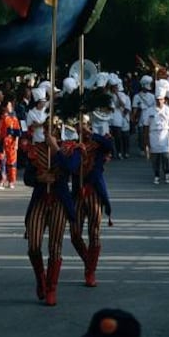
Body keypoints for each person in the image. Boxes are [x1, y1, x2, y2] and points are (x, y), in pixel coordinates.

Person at [23, 119, 82, 306]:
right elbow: (27, 177)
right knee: (33, 245)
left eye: (54, 129)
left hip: (59, 200)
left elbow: (71, 168)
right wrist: (39, 177)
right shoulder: (36, 149)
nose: (50, 132)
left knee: (54, 246)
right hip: (40, 199)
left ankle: (51, 288)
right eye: (47, 129)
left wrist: (55, 148)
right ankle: (41, 278)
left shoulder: (71, 148)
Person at [69, 114, 114, 287]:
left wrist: (91, 134)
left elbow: (110, 146)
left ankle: (90, 272)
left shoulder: (98, 143)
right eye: (79, 126)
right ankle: (89, 262)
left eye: (85, 125)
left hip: (94, 191)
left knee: (94, 233)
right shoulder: (71, 144)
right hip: (77, 192)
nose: (82, 128)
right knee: (74, 235)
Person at [144, 84, 169, 185]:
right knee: (155, 158)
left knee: (166, 157)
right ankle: (157, 175)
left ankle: (167, 174)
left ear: (164, 99)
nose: (159, 101)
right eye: (157, 99)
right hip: (153, 135)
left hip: (165, 134)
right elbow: (146, 126)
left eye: (161, 99)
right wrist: (146, 141)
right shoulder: (149, 110)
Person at [131, 75, 155, 156]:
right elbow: (135, 109)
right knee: (141, 135)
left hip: (150, 117)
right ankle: (142, 149)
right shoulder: (137, 97)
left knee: (150, 134)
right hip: (141, 118)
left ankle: (149, 148)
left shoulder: (152, 96)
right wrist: (133, 119)